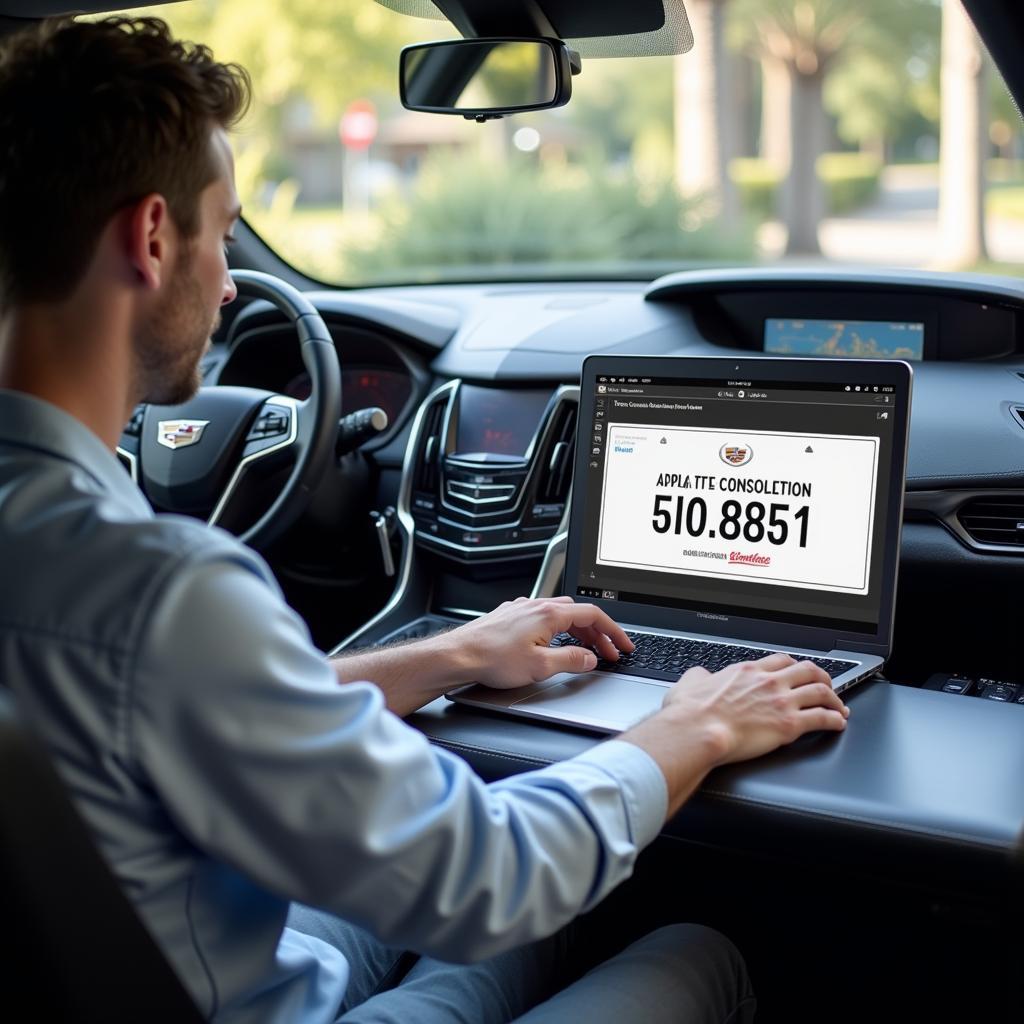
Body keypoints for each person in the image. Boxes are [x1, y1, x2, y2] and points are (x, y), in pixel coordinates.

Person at [0, 16, 849, 1024]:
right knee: (695, 949)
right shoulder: (163, 590)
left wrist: (444, 655)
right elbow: (493, 872)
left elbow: (158, 697)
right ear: (150, 238)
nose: (231, 283)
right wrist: (695, 723)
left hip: (196, 958)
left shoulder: (74, 558)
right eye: (223, 233)